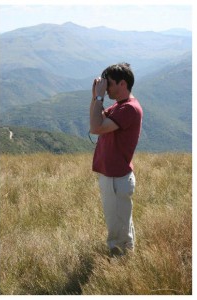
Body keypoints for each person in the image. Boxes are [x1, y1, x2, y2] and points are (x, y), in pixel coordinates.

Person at [90, 63, 143, 257]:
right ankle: (126, 258)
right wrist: (95, 96)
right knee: (122, 223)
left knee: (117, 228)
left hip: (116, 178)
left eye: (109, 84)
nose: (107, 88)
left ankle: (120, 264)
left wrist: (99, 96)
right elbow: (95, 121)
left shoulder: (128, 109)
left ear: (122, 84)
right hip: (114, 177)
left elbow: (96, 127)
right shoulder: (119, 106)